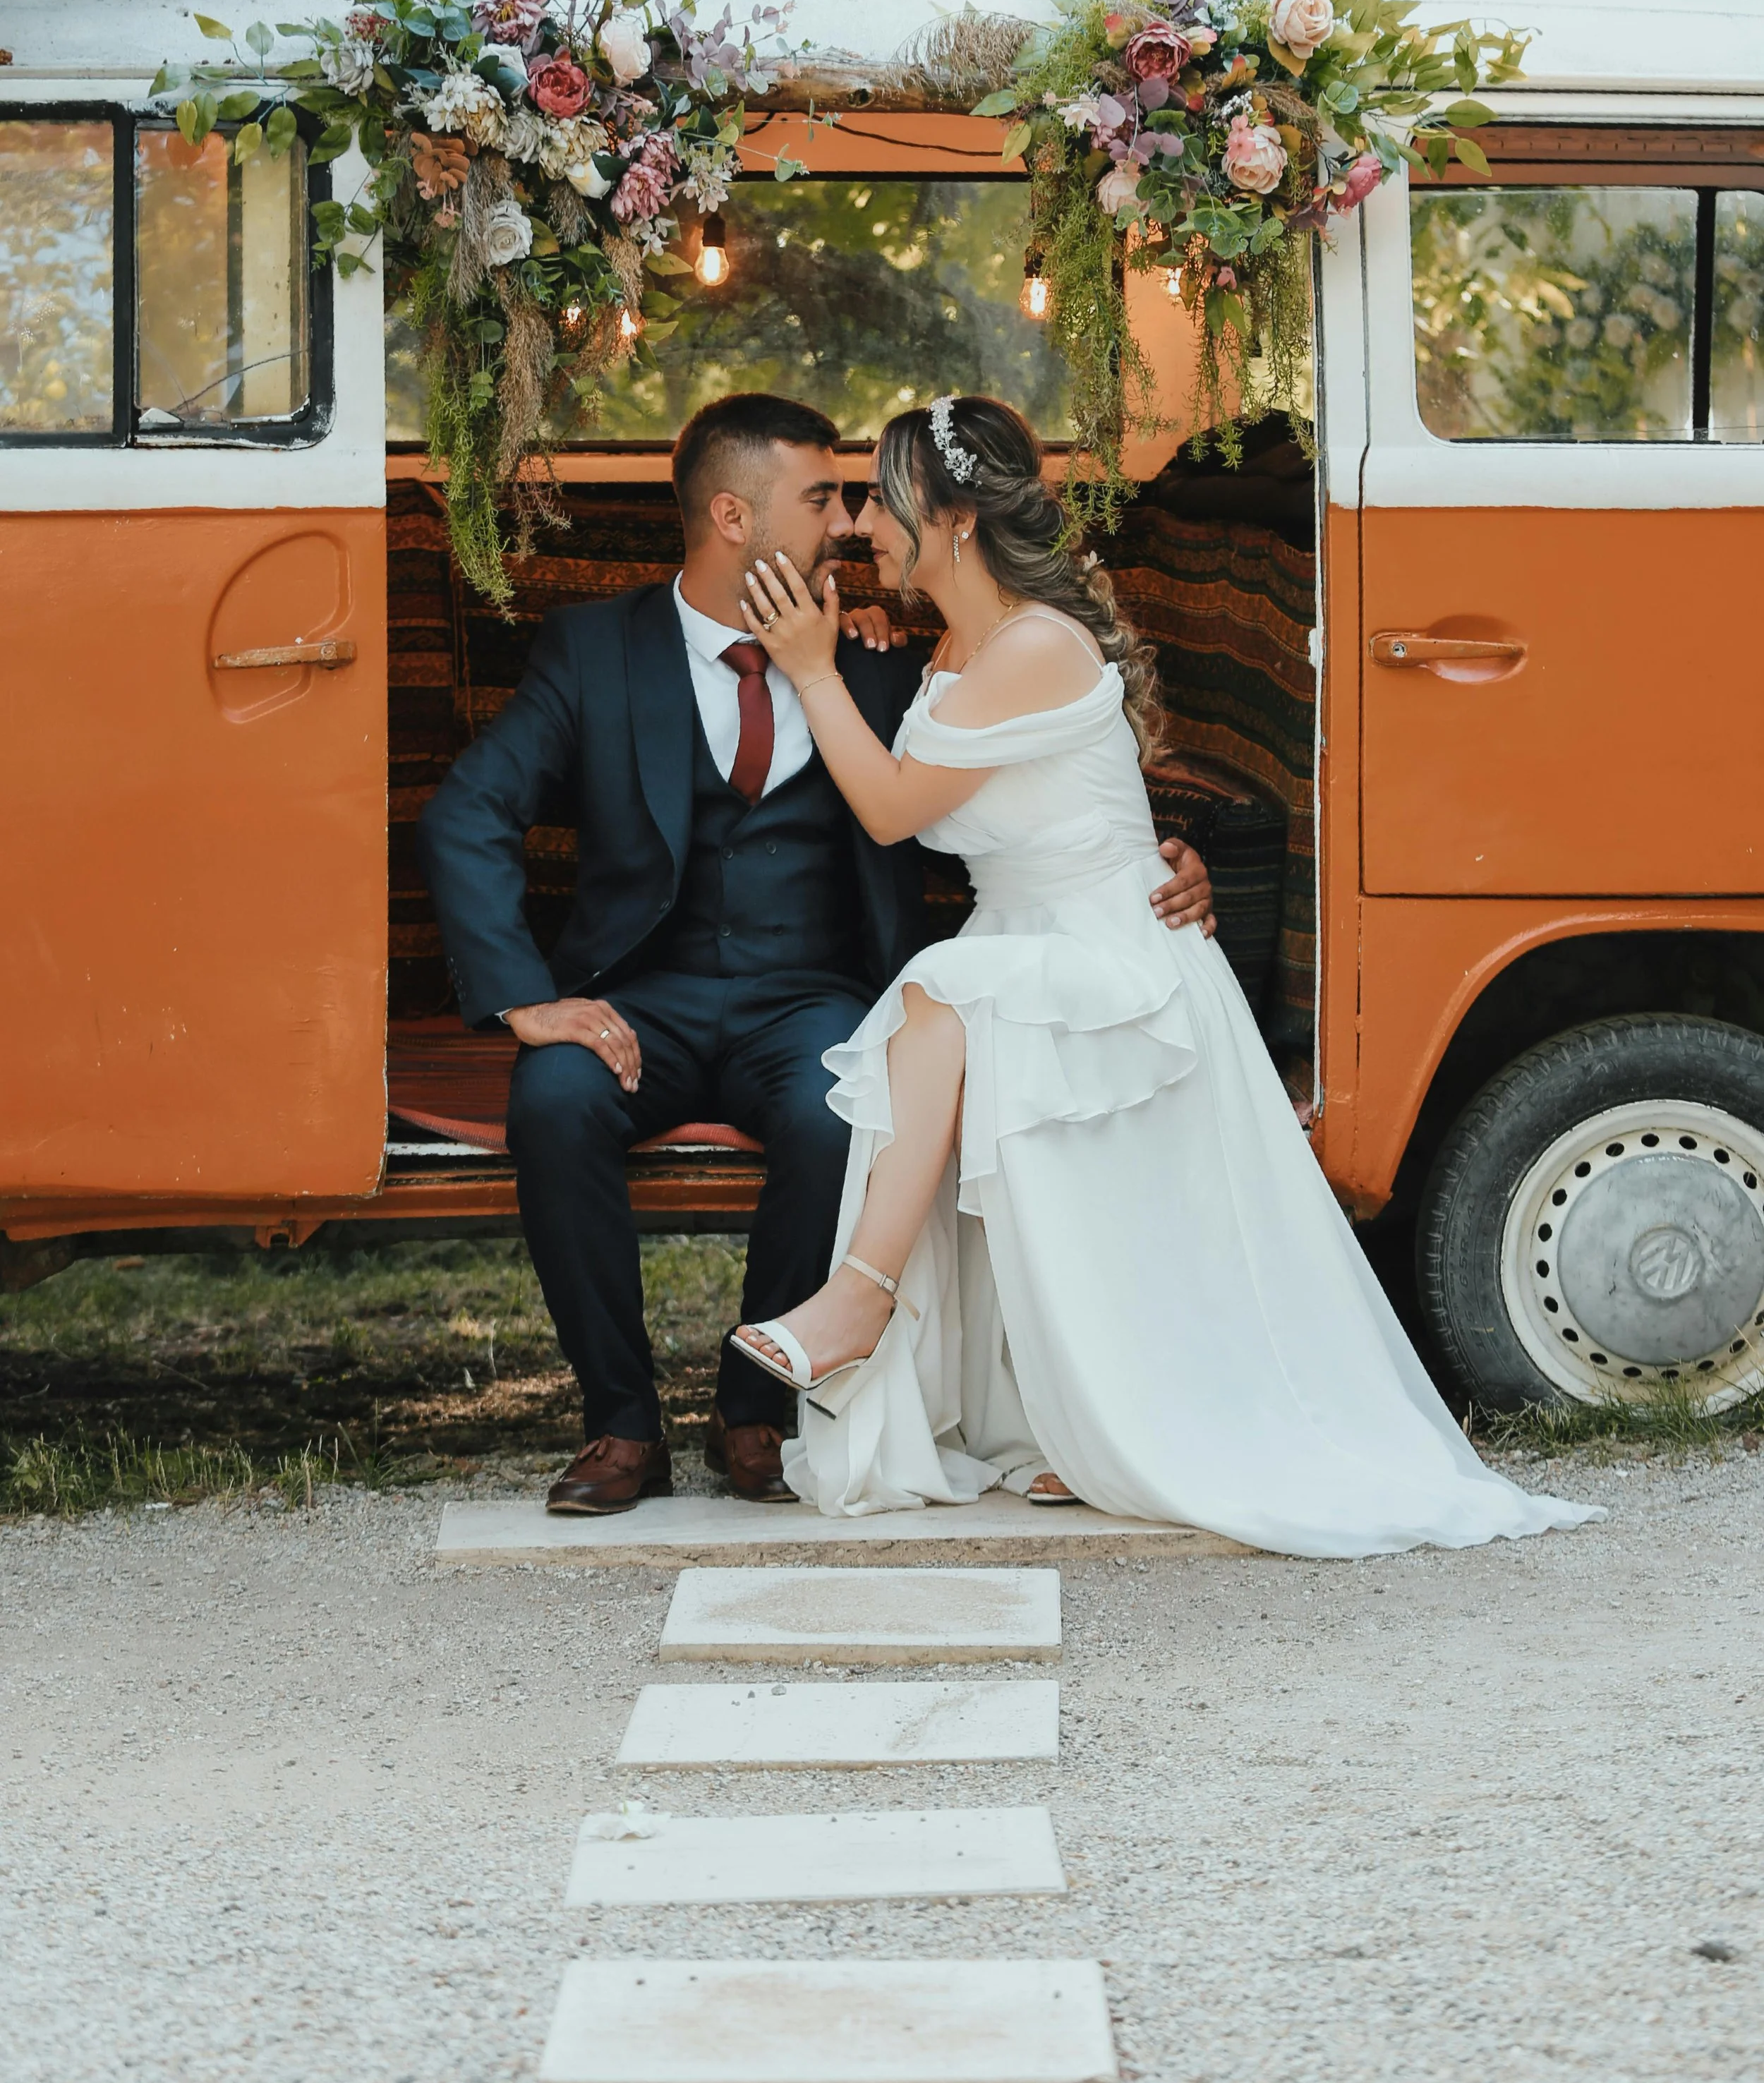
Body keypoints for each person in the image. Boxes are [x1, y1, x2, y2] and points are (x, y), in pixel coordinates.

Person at [727, 395, 1597, 1557]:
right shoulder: (951, 641)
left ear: (954, 519)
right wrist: (850, 654)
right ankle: (1028, 1400)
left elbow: (890, 809)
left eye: (881, 499)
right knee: (941, 1001)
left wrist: (809, 669)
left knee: (938, 996)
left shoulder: (1036, 645)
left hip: (1109, 953)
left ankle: (860, 1299)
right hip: (1039, 932)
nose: (860, 525)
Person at [416, 392, 1215, 1516]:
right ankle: (619, 1423)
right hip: (640, 997)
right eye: (822, 497)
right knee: (552, 1097)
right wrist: (523, 1004)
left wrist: (1164, 862)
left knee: (840, 1106)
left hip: (809, 998)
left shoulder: (884, 657)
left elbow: (1050, 779)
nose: (849, 523)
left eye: (860, 499)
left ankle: (758, 1407)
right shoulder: (596, 648)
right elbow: (468, 814)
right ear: (733, 515)